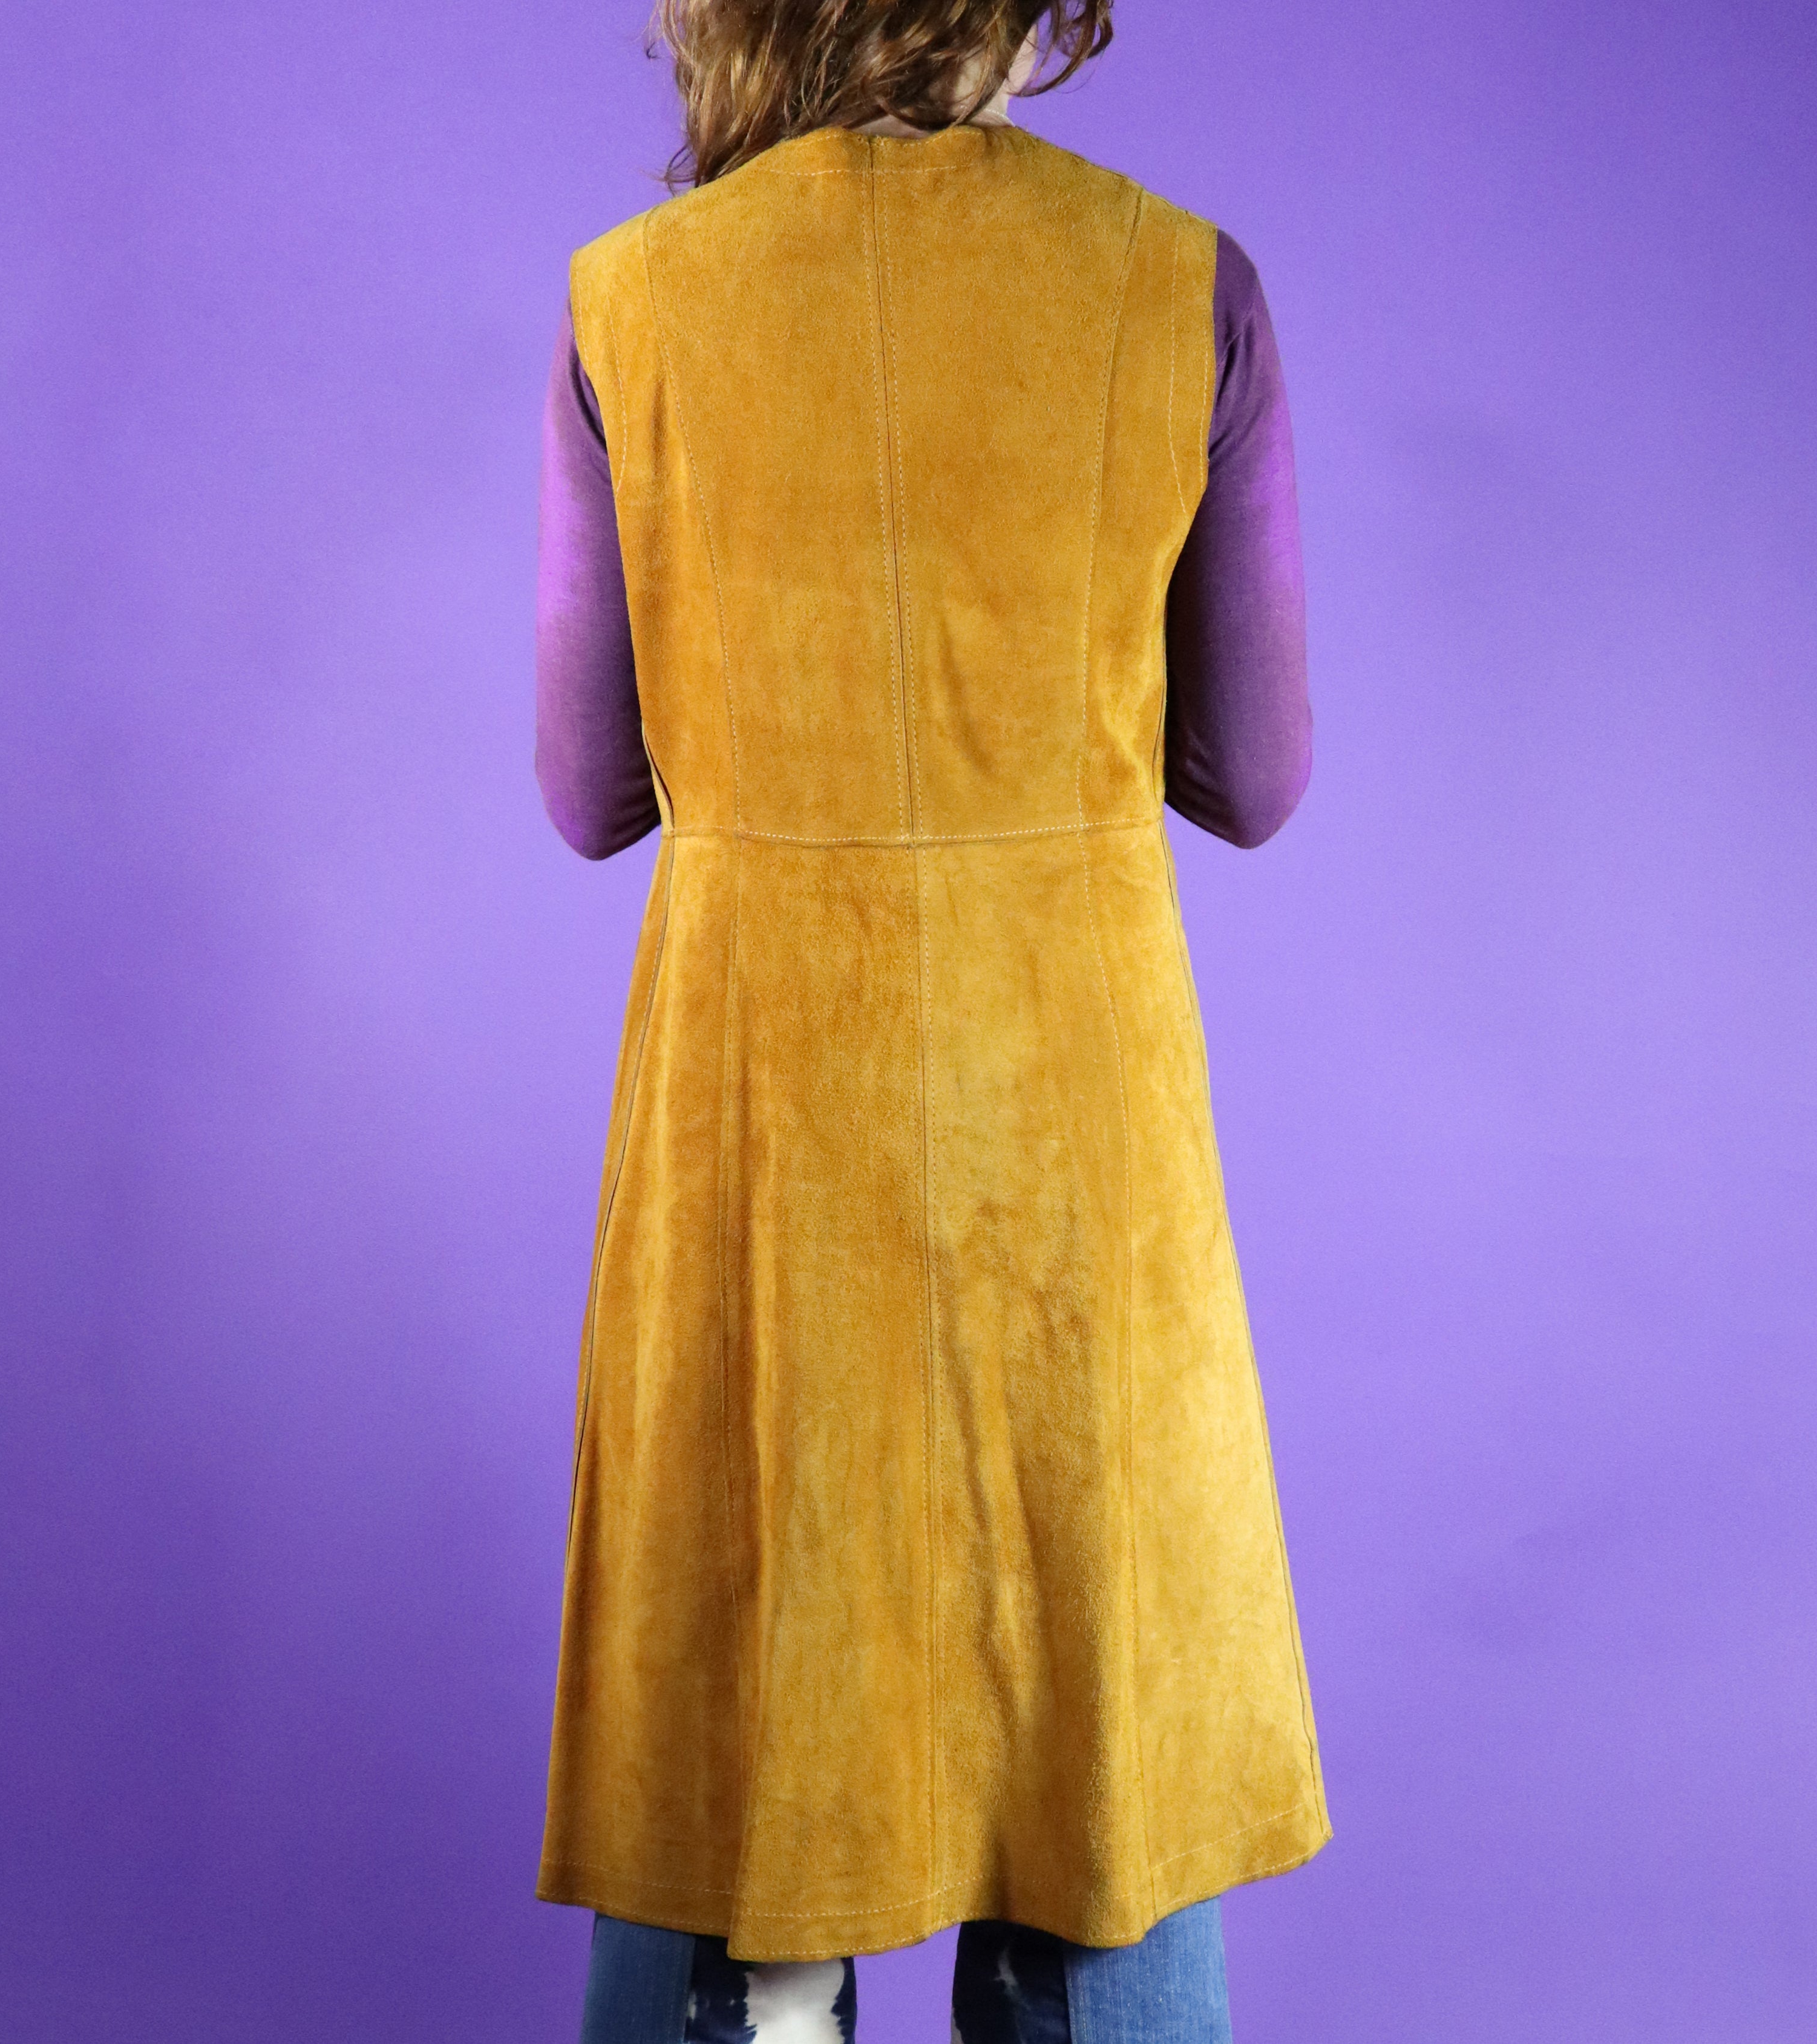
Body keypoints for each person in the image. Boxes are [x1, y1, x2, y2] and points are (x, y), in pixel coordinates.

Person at [532, 4, 1329, 2037]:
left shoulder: (633, 301)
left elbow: (589, 790)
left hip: (759, 1116)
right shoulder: (1180, 280)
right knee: (1095, 1728)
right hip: (1070, 1123)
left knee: (731, 1695)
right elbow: (1254, 778)